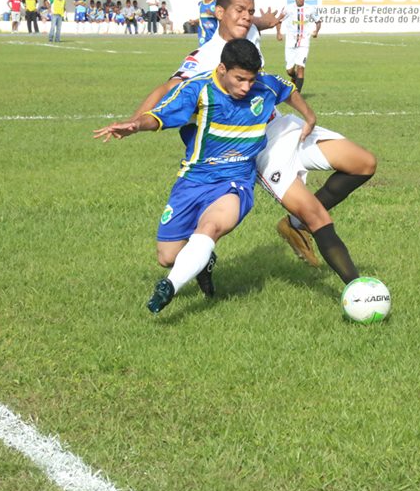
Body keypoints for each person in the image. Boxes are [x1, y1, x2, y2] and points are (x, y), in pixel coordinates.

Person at [127, 0, 375, 291]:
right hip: (259, 145)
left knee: (363, 163)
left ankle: (293, 225)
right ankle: (360, 290)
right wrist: (135, 122)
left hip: (285, 126)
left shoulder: (249, 30)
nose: (246, 17)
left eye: (250, 11)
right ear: (220, 13)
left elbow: (250, 21)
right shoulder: (205, 58)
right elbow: (168, 87)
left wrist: (265, 21)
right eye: (240, 11)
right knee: (316, 214)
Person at [94, 38, 315, 314]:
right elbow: (160, 115)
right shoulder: (198, 90)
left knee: (210, 227)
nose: (247, 87)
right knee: (167, 256)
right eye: (240, 79)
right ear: (222, 69)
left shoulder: (263, 84)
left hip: (235, 181)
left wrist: (310, 116)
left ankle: (169, 287)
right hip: (194, 179)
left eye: (251, 80)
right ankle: (204, 261)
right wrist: (136, 124)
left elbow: (288, 89)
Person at [275, 0, 322, 92]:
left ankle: (297, 94)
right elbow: (279, 20)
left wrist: (316, 31)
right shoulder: (288, 8)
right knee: (289, 70)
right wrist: (278, 33)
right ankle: (294, 78)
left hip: (304, 42)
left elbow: (318, 21)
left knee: (301, 67)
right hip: (290, 42)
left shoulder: (310, 9)